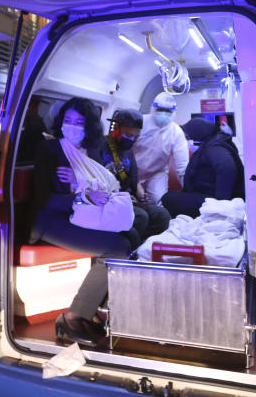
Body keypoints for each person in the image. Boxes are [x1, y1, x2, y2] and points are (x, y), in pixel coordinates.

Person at [30, 97, 131, 347]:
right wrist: (81, 193)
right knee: (117, 248)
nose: (72, 126)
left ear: (89, 127)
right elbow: (42, 198)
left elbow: (105, 183)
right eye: (67, 121)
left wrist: (84, 188)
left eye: (79, 122)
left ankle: (98, 306)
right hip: (52, 218)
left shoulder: (91, 151)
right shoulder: (50, 150)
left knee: (132, 235)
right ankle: (72, 316)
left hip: (84, 214)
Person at [98, 108, 171, 247]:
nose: (131, 140)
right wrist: (119, 196)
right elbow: (94, 182)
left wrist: (142, 197)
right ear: (116, 128)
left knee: (162, 216)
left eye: (135, 137)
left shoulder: (129, 152)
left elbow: (134, 181)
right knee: (140, 217)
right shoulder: (99, 146)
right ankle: (125, 247)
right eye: (128, 135)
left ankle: (142, 245)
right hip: (107, 200)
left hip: (126, 198)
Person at [161, 117, 245, 218]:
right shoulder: (214, 142)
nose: (188, 138)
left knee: (168, 199)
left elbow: (227, 168)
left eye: (188, 135)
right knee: (172, 197)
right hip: (206, 192)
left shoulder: (214, 148)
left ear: (197, 133)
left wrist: (220, 202)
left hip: (213, 198)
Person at [133, 92, 189, 204]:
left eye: (168, 111)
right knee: (129, 199)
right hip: (134, 171)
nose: (164, 114)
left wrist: (189, 190)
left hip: (157, 173)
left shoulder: (176, 132)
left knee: (158, 199)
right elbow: (126, 150)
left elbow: (182, 166)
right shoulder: (140, 123)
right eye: (160, 110)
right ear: (153, 108)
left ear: (174, 112)